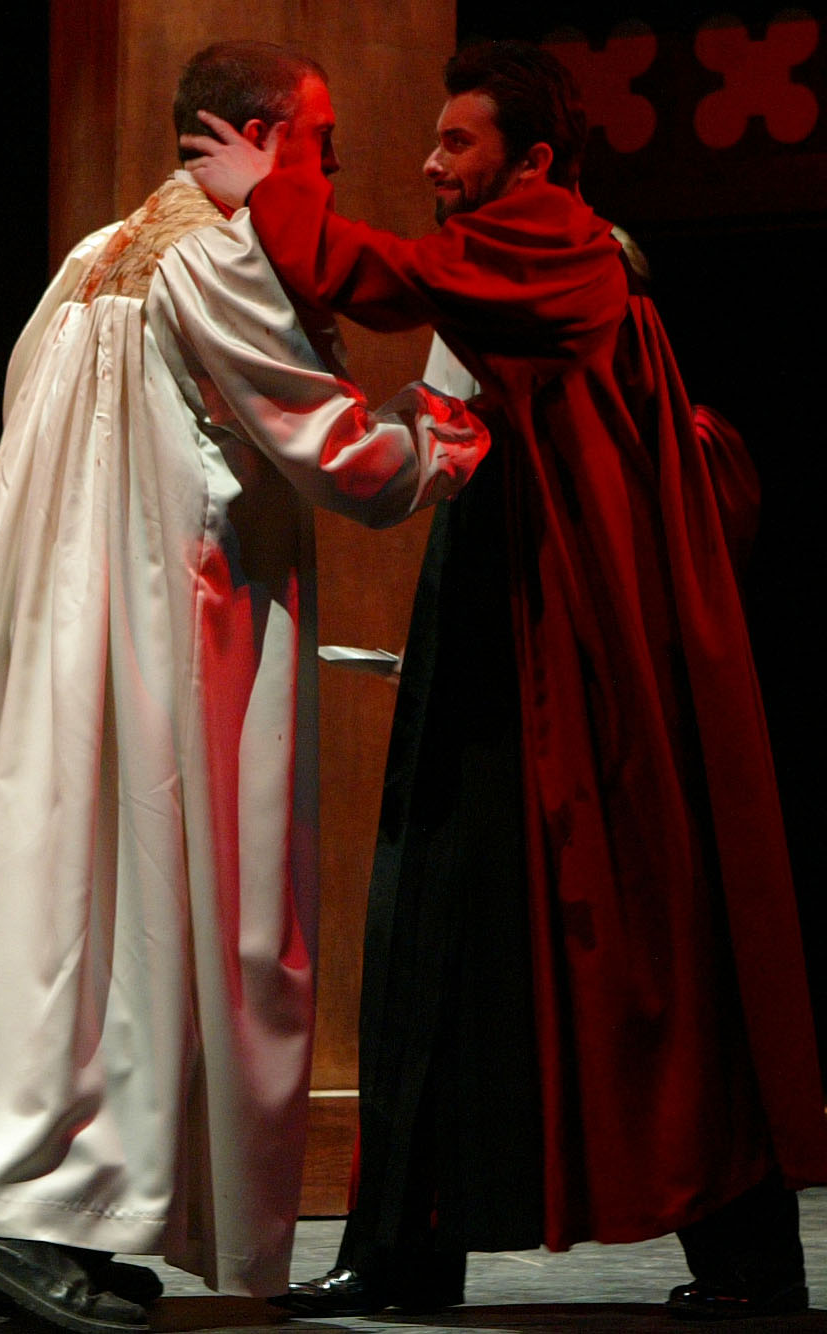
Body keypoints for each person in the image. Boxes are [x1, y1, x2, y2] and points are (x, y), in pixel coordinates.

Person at [181, 37, 827, 1322]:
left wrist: (272, 184)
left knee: (628, 919)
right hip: (509, 594)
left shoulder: (563, 246)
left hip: (572, 633)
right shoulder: (519, 254)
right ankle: (411, 1245)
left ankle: (738, 1250)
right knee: (449, 910)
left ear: (530, 161)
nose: (429, 164)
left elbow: (383, 278)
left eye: (454, 142)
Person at [0, 41, 488, 1334]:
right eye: (322, 141)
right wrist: (447, 423)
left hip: (60, 627)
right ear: (258, 136)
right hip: (168, 624)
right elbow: (337, 451)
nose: (335, 168)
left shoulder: (97, 252)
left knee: (86, 907)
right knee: (163, 906)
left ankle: (81, 1206)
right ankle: (16, 1207)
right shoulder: (217, 255)